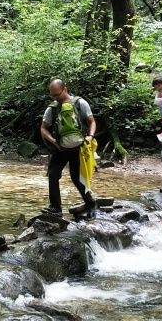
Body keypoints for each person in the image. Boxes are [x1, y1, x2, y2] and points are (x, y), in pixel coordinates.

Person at [40, 78, 98, 217]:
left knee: (77, 178)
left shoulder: (80, 103)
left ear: (64, 90)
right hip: (60, 148)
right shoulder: (52, 109)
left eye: (57, 95)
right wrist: (53, 141)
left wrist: (90, 136)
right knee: (53, 174)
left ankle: (91, 204)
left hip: (79, 148)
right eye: (52, 95)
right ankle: (55, 207)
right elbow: (43, 128)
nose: (55, 98)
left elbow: (92, 121)